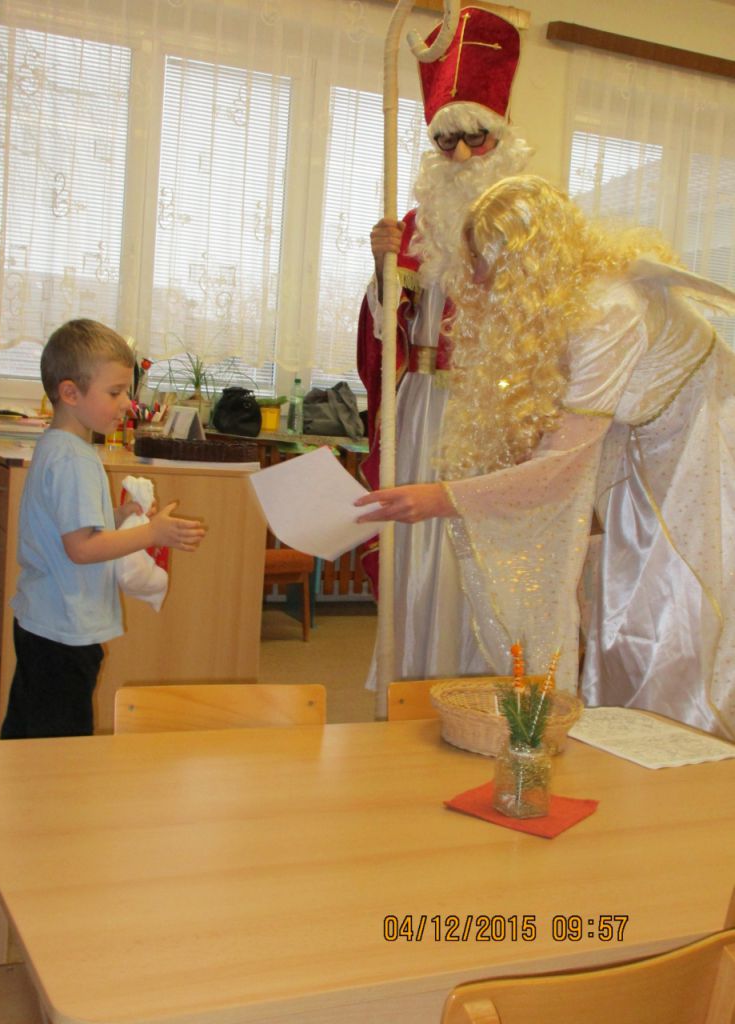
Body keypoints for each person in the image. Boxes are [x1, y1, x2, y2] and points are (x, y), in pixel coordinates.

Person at [357, 174, 735, 740]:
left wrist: (444, 498)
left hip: (705, 448)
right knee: (620, 606)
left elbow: (562, 465)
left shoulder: (607, 311)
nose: (475, 279)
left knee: (674, 617)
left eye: (484, 263)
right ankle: (620, 746)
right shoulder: (562, 305)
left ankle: (685, 758)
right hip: (643, 447)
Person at [357, 6, 532, 706]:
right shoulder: (413, 224)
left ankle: (473, 687)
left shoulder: (525, 225)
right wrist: (382, 270)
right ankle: (406, 683)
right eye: (446, 139)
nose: (459, 155)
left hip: (486, 410)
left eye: (474, 138)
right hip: (420, 410)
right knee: (414, 544)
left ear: (501, 137)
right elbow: (385, 330)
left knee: (470, 550)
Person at [1, 319, 207, 739]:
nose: (127, 404)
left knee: (28, 729)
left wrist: (120, 514)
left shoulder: (57, 445)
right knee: (59, 740)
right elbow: (81, 548)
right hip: (64, 628)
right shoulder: (75, 459)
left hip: (45, 619)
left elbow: (70, 528)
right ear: (70, 393)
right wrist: (152, 534)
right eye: (115, 392)